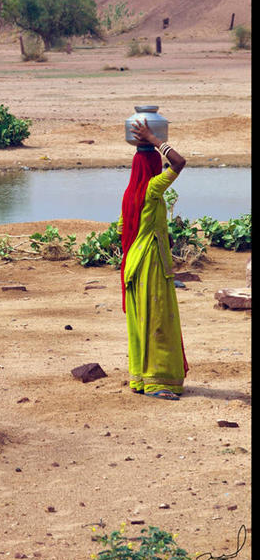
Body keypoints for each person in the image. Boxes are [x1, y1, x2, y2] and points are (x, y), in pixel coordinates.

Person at [116, 118, 189, 400]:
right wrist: (156, 140)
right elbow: (179, 162)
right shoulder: (152, 188)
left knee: (139, 319)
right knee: (157, 319)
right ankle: (158, 383)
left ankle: (140, 378)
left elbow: (123, 230)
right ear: (152, 169)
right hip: (151, 264)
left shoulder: (129, 195)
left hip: (132, 264)